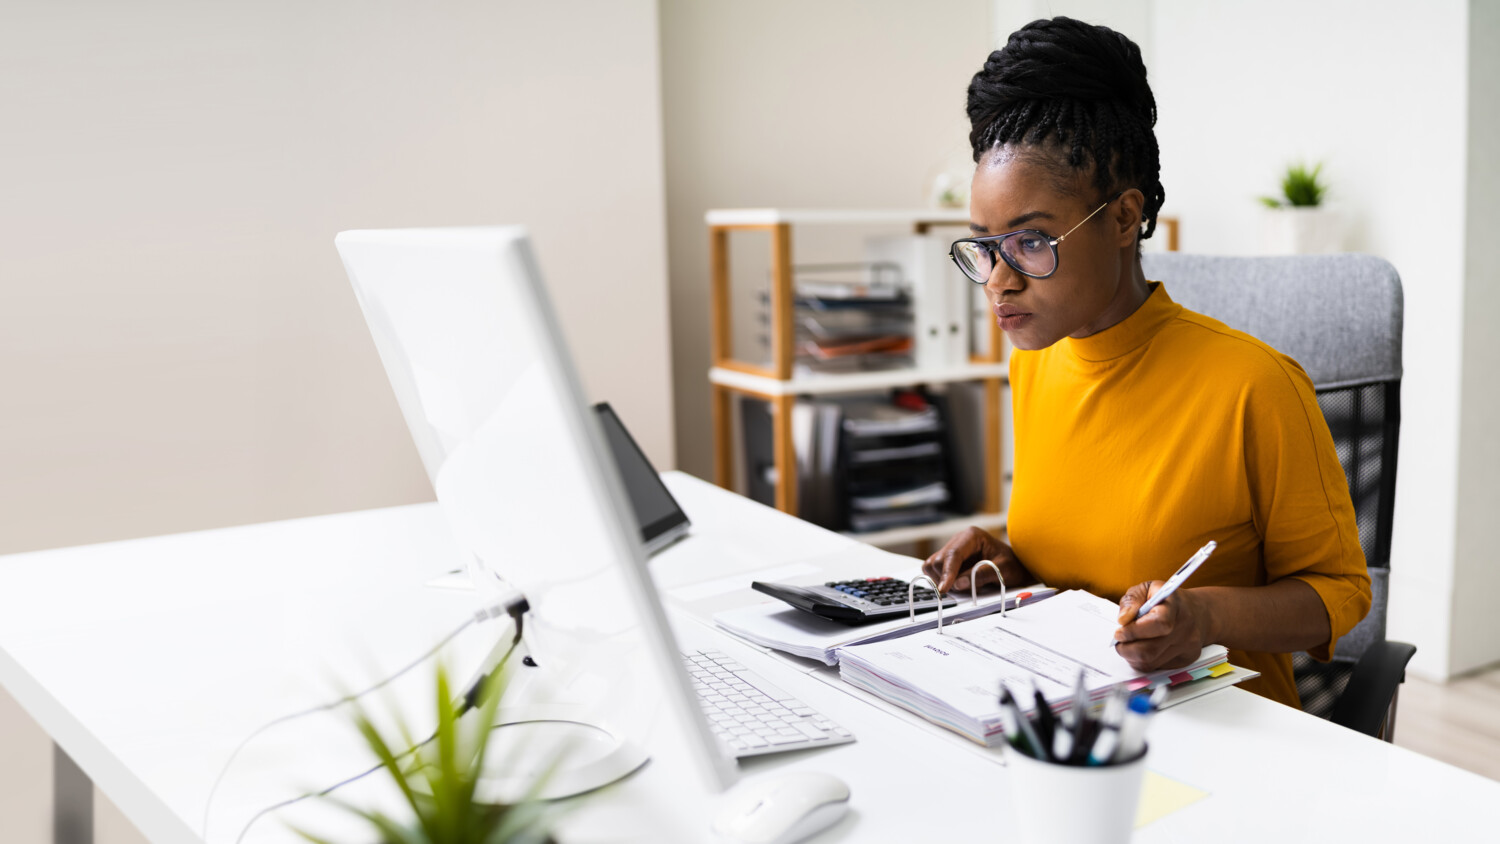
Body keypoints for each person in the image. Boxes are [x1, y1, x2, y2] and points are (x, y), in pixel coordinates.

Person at [921, 16, 1370, 709]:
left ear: (1125, 218)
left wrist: (1206, 617)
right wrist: (1010, 564)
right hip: (1075, 716)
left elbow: (1341, 594)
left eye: (1033, 243)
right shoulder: (1035, 363)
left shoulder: (1255, 385)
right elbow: (1085, 559)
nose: (998, 281)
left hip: (1226, 733)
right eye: (984, 246)